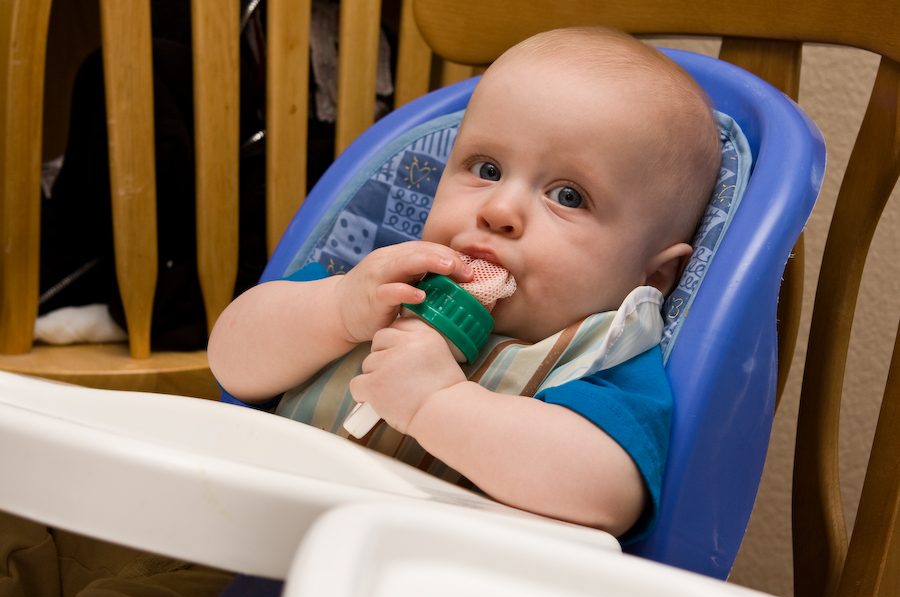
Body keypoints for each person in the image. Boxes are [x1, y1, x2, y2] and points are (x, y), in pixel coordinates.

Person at [209, 25, 721, 543]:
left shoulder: (599, 361)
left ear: (653, 275)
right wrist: (336, 310)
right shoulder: (375, 289)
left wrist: (437, 404)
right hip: (251, 540)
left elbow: (606, 495)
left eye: (568, 196)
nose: (498, 210)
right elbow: (230, 361)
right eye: (487, 168)